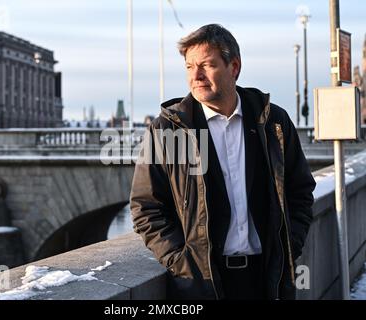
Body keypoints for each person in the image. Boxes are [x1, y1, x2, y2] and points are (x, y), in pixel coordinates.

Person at [130, 24, 316, 300]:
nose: (196, 76)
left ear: (234, 67)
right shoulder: (168, 130)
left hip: (267, 279)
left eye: (206, 65)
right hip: (202, 285)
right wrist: (181, 262)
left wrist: (290, 244)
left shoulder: (273, 123)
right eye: (190, 66)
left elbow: (299, 191)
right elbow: (146, 208)